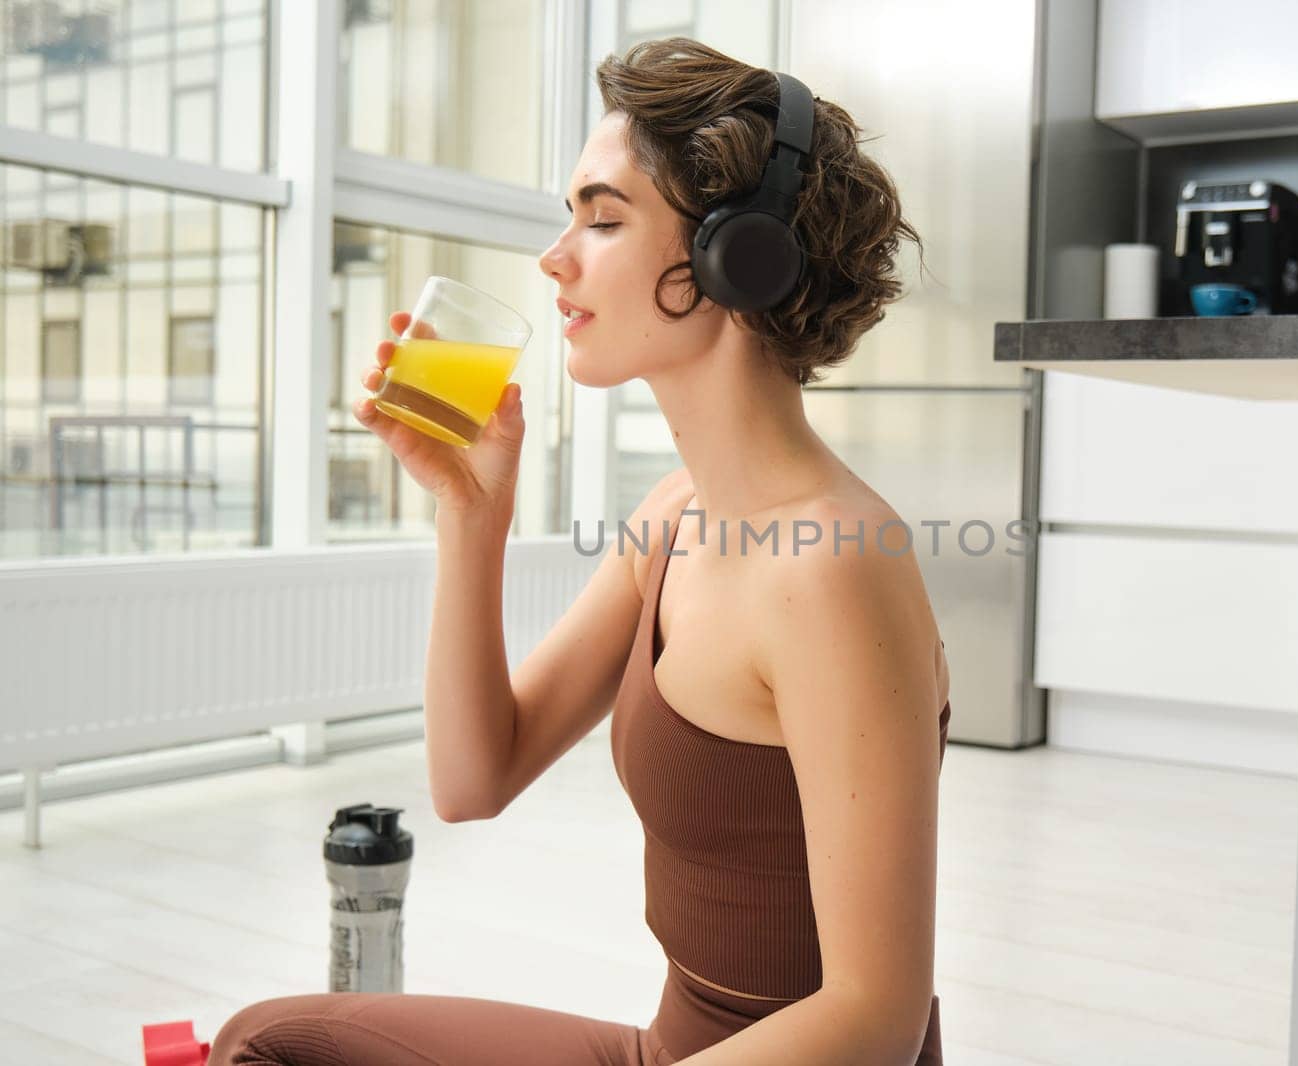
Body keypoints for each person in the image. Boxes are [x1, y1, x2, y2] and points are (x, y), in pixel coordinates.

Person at [210, 37, 950, 1066]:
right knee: (262, 1040)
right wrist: (472, 517)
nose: (556, 257)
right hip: (674, 1048)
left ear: (737, 254)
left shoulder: (829, 566)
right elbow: (474, 778)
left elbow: (877, 1018)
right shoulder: (673, 517)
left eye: (602, 218)